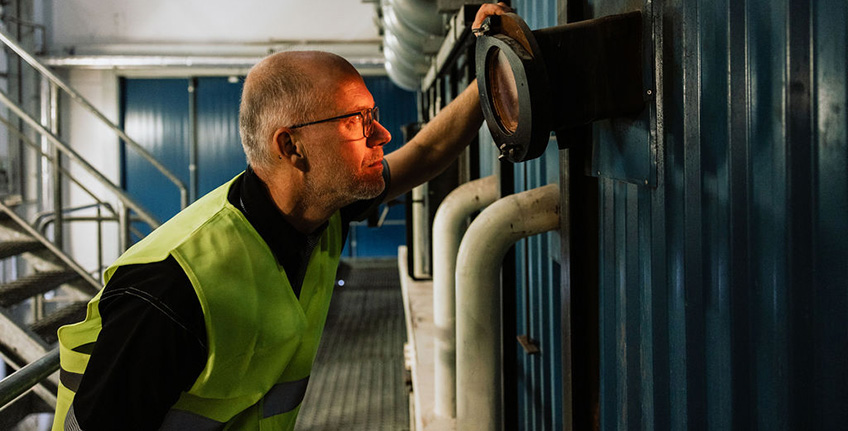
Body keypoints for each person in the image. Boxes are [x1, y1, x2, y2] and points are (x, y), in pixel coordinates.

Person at [51, 3, 513, 430]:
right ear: (291, 146)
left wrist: (489, 66)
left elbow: (428, 151)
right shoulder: (171, 291)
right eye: (356, 121)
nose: (383, 134)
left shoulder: (324, 207)